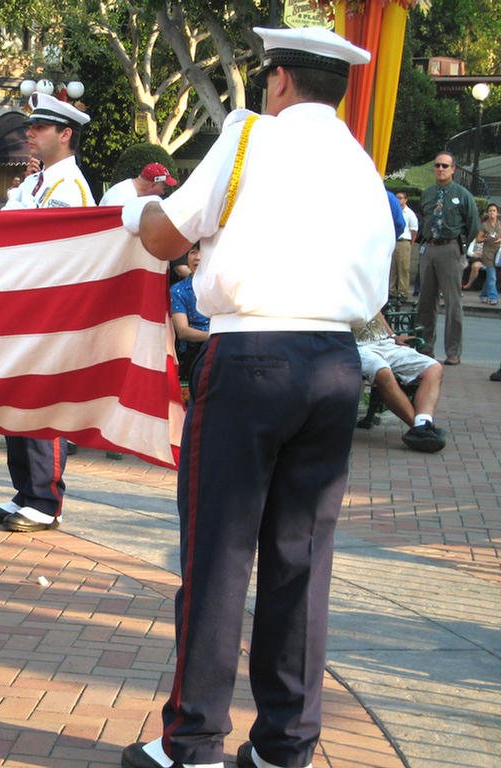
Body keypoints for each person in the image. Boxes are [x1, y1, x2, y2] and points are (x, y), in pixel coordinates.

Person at [119, 26, 393, 768]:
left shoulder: (248, 136)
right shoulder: (362, 164)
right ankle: (284, 747)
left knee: (219, 554)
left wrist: (131, 207)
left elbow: (166, 238)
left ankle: (194, 740)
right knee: (301, 560)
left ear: (277, 82)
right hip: (338, 360)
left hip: (252, 356)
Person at [0, 91, 94, 535]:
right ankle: (25, 492)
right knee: (17, 400)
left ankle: (46, 500)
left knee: (43, 404)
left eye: (40, 127)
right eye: (30, 126)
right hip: (24, 306)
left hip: (51, 311)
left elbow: (52, 250)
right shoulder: (39, 182)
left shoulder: (70, 187)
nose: (30, 133)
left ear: (65, 134)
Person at [416, 151, 479, 365]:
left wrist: (459, 247)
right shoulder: (428, 194)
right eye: (437, 165)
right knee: (425, 301)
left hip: (450, 249)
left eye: (445, 165)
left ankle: (453, 351)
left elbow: (473, 225)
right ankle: (425, 347)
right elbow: (423, 219)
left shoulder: (462, 195)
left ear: (453, 169)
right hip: (429, 248)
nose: (440, 169)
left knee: (453, 303)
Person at [354, 313, 445, 452]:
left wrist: (392, 336)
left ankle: (422, 424)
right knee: (382, 371)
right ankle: (422, 429)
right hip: (356, 346)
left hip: (386, 343)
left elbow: (377, 312)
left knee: (433, 368)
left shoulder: (367, 291)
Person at [169, 243, 208, 375]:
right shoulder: (178, 290)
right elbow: (183, 331)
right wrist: (216, 335)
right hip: (194, 353)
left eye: (201, 252)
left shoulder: (222, 285)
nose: (197, 257)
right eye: (193, 252)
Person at [99, 162, 177, 206]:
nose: (162, 193)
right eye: (164, 188)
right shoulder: (122, 196)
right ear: (153, 185)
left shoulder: (130, 191)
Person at [470, 202, 500, 304]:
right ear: (487, 213)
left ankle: (483, 294)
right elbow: (478, 239)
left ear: (497, 213)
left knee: (492, 275)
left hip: (497, 252)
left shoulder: (500, 224)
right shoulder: (485, 225)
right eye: (490, 211)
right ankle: (493, 297)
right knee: (492, 275)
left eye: (494, 211)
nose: (492, 213)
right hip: (487, 252)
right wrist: (486, 237)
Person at [391, 191, 419, 300]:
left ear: (405, 200)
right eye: (397, 198)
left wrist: (410, 243)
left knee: (403, 268)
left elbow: (414, 230)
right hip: (394, 241)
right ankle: (392, 290)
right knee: (393, 268)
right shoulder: (394, 211)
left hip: (404, 241)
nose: (398, 200)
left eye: (400, 198)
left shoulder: (409, 213)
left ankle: (403, 292)